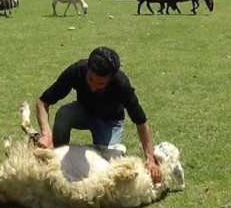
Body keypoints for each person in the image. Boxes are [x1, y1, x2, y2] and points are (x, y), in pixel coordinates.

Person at [36, 46, 162, 183]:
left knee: (107, 164)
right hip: (84, 111)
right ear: (87, 68)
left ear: (111, 78)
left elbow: (141, 121)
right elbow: (43, 101)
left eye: (101, 83)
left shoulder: (121, 84)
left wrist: (150, 158)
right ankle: (55, 158)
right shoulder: (77, 70)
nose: (94, 86)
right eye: (90, 79)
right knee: (64, 114)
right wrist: (46, 134)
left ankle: (113, 151)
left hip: (110, 122)